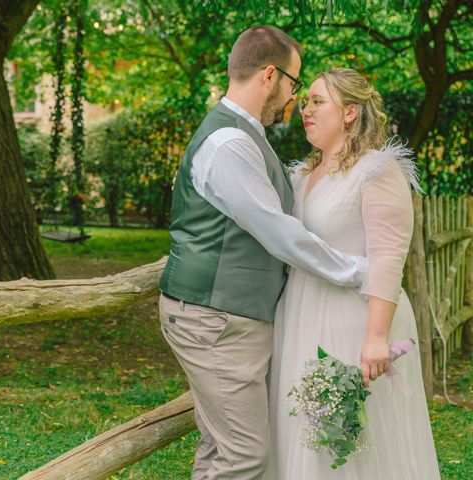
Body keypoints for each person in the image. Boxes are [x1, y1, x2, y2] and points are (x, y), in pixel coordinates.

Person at [158, 27, 369, 479]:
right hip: (214, 319)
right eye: (294, 85)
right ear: (269, 75)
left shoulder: (244, 134)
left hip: (225, 317)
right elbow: (279, 233)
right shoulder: (230, 143)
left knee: (221, 450)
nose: (295, 99)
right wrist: (355, 270)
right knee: (245, 455)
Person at [266, 68, 440, 479]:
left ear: (350, 112)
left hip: (354, 322)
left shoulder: (376, 171)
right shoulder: (301, 175)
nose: (304, 109)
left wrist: (377, 337)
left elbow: (388, 258)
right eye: (305, 101)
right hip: (300, 317)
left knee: (352, 441)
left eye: (317, 101)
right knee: (305, 434)